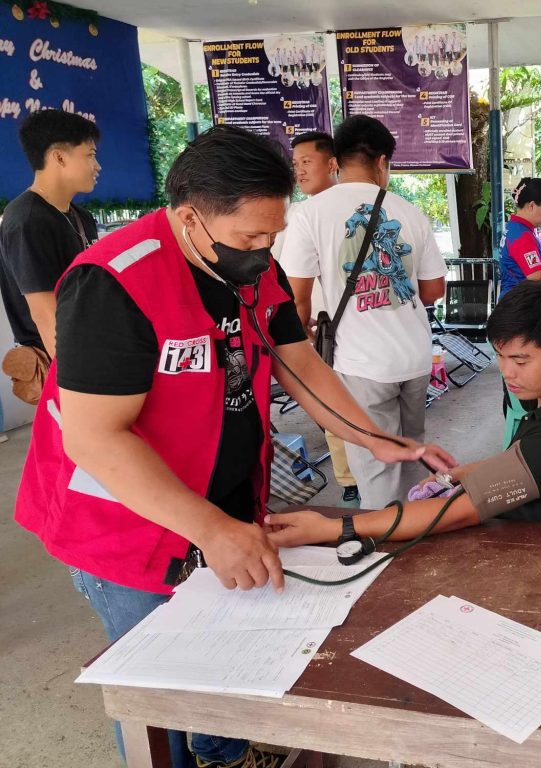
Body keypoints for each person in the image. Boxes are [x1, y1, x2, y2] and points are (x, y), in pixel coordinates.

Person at [15, 125, 454, 768]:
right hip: (125, 522)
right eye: (250, 236)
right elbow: (93, 436)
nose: (264, 250)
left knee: (221, 651)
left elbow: (296, 360)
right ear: (191, 216)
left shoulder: (250, 265)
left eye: (272, 235)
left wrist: (374, 437)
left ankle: (225, 751)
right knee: (156, 688)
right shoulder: (115, 283)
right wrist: (211, 531)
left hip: (220, 499)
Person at [264, 280, 541, 546]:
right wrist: (456, 474)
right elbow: (521, 461)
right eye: (500, 357)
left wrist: (333, 528)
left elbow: (453, 514)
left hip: (521, 548)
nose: (507, 372)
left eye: (520, 360)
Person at [280, 115, 447, 509]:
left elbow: (296, 299)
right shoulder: (410, 211)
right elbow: (433, 291)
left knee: (374, 466)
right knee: (412, 451)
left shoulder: (308, 214)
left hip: (360, 364)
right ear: (382, 162)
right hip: (416, 357)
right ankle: (413, 523)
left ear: (335, 160)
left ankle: (385, 543)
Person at [274, 130, 360, 506]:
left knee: (351, 403)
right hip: (323, 329)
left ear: (332, 163)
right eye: (295, 165)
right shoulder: (292, 215)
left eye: (306, 162)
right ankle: (350, 479)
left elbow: (297, 294)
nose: (300, 171)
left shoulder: (352, 209)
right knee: (334, 403)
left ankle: (367, 477)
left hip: (348, 324)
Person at [0, 110, 100, 387]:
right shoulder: (26, 220)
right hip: (61, 362)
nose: (98, 165)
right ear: (59, 157)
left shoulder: (82, 217)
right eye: (90, 155)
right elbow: (45, 314)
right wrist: (76, 383)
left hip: (92, 347)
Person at [498, 177, 541, 300]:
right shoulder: (522, 237)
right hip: (520, 307)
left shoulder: (515, 228)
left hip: (513, 302)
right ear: (532, 206)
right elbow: (537, 279)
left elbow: (530, 264)